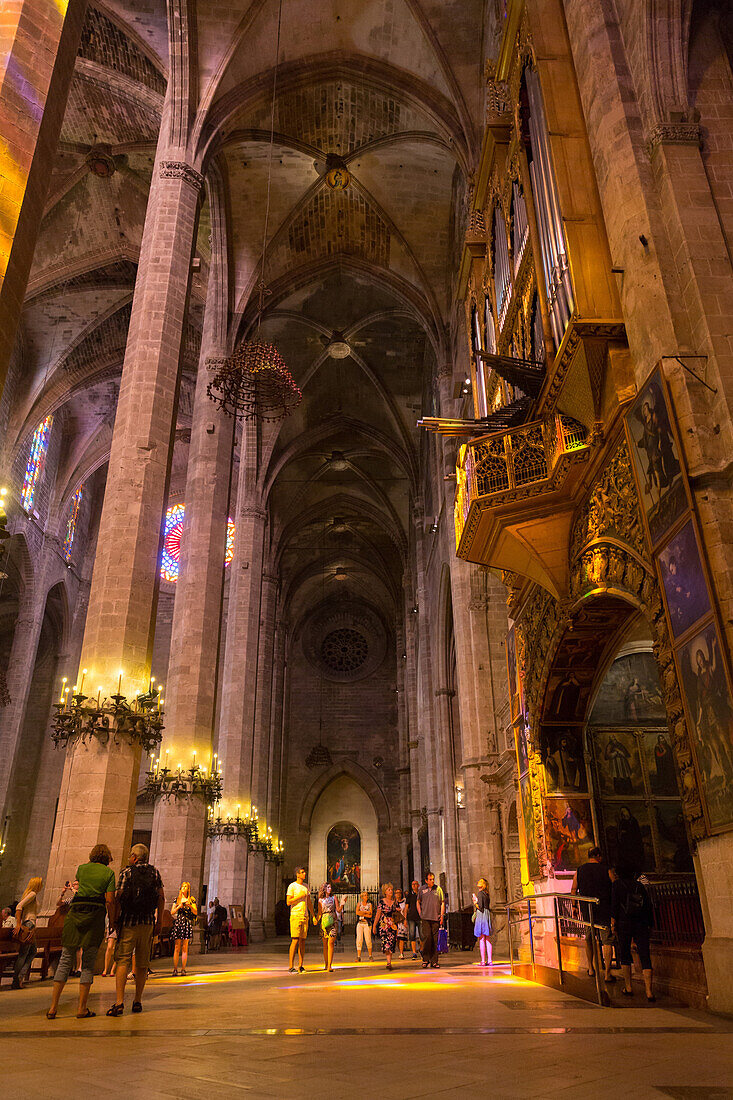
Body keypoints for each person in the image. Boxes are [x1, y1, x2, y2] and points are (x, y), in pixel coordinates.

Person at [47, 844, 116, 1020]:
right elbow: (109, 900)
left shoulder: (82, 869)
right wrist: (113, 920)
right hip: (94, 916)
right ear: (107, 857)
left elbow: (80, 888)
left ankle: (53, 1007)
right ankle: (81, 1008)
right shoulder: (109, 873)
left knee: (65, 959)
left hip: (76, 913)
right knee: (88, 962)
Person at [106, 843, 164, 1017]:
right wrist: (159, 920)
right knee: (142, 962)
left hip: (129, 922)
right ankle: (138, 1000)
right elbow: (161, 897)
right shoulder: (154, 872)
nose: (129, 858)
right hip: (147, 923)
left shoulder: (126, 872)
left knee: (123, 960)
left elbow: (118, 898)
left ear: (135, 857)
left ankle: (119, 1001)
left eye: (131, 855)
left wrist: (114, 921)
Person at [610, 863, 655, 1001]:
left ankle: (628, 987)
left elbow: (614, 905)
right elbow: (648, 906)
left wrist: (613, 923)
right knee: (644, 954)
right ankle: (649, 991)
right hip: (640, 922)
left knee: (624, 953)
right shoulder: (639, 886)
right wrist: (650, 924)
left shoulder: (617, 885)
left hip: (624, 922)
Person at [571, 847, 614, 982]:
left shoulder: (580, 870)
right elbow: (614, 886)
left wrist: (574, 906)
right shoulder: (606, 869)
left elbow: (573, 889)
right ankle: (607, 973)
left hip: (587, 909)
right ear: (598, 856)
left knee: (589, 939)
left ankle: (590, 967)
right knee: (606, 941)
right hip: (604, 908)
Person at [11, 876, 42, 988]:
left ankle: (20, 977)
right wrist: (19, 924)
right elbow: (19, 906)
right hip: (28, 924)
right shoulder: (32, 894)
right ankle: (16, 980)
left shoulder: (31, 894)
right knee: (23, 954)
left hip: (30, 924)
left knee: (32, 952)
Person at [287, 866, 314, 973]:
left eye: (304, 872)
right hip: (295, 914)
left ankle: (301, 965)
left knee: (303, 941)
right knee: (295, 940)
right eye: (302, 872)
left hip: (305, 915)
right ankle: (290, 966)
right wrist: (299, 897)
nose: (304, 874)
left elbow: (309, 902)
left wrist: (313, 915)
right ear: (297, 874)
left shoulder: (306, 886)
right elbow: (288, 902)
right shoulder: (292, 886)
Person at [417, 872, 445, 969]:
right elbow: (418, 902)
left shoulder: (438, 889)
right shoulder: (422, 890)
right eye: (430, 879)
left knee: (435, 940)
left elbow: (442, 903)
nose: (432, 881)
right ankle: (425, 959)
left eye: (433, 879)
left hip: (435, 918)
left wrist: (441, 915)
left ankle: (434, 961)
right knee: (427, 938)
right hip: (425, 918)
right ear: (426, 880)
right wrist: (420, 913)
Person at [315, 882, 342, 972]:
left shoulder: (334, 898)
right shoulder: (320, 900)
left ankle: (330, 965)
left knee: (331, 943)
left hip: (333, 921)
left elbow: (338, 910)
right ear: (324, 889)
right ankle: (326, 964)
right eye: (328, 887)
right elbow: (319, 913)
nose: (330, 889)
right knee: (325, 944)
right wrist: (316, 919)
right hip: (324, 922)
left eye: (330, 887)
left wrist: (342, 903)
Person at [171, 882, 197, 976]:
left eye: (185, 886)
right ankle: (175, 969)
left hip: (186, 923)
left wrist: (189, 905)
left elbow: (195, 912)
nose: (183, 888)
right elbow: (172, 912)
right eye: (182, 886)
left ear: (188, 889)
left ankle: (183, 969)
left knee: (185, 947)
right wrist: (179, 906)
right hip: (179, 923)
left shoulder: (191, 899)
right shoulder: (177, 899)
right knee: (177, 947)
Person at [373, 882, 399, 970]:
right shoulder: (381, 902)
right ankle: (388, 962)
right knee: (386, 943)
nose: (391, 891)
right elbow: (378, 914)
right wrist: (374, 926)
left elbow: (398, 915)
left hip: (392, 925)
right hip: (384, 925)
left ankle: (389, 961)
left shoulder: (394, 902)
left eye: (391, 889)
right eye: (389, 890)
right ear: (385, 892)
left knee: (391, 943)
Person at [471, 878, 492, 966]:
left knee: (481, 938)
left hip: (481, 915)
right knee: (487, 938)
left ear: (482, 884)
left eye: (479, 881)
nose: (477, 882)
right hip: (487, 915)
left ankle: (483, 960)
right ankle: (490, 960)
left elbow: (480, 907)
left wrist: (475, 902)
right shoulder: (487, 894)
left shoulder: (480, 893)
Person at [355, 891, 373, 961]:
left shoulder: (369, 904)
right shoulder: (359, 904)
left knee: (368, 939)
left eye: (367, 895)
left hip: (366, 923)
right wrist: (366, 912)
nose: (366, 897)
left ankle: (370, 955)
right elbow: (357, 912)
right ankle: (358, 956)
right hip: (360, 923)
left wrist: (362, 913)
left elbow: (370, 915)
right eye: (365, 895)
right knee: (359, 939)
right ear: (362, 897)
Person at [406, 880, 420, 959]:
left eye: (415, 884)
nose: (414, 885)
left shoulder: (420, 893)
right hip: (411, 917)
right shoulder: (409, 895)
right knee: (412, 935)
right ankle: (414, 952)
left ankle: (421, 950)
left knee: (422, 935)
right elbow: (407, 907)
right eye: (412, 884)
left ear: (418, 885)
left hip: (420, 916)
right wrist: (405, 918)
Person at [394, 888, 408, 959]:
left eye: (399, 893)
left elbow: (406, 910)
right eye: (396, 893)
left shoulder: (404, 901)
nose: (398, 894)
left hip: (402, 921)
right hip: (396, 921)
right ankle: (400, 950)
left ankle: (401, 953)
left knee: (401, 937)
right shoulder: (394, 902)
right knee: (397, 938)